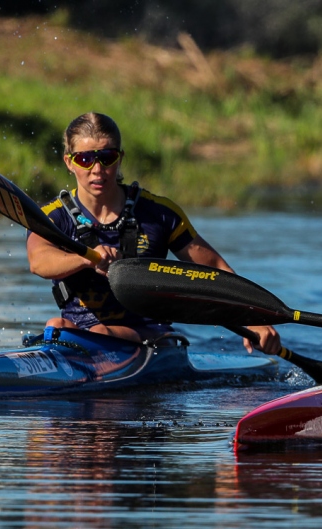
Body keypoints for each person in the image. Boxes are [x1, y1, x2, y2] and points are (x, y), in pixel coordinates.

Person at [27, 112, 280, 354]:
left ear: (120, 158)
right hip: (76, 336)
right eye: (85, 159)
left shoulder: (159, 213)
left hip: (152, 338)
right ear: (69, 162)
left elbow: (214, 268)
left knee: (91, 331)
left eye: (107, 157)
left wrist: (252, 317)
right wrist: (87, 258)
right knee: (56, 325)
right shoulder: (51, 216)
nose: (97, 169)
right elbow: (38, 261)